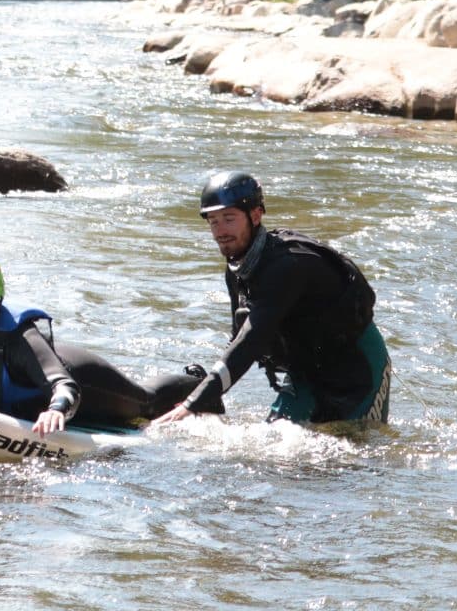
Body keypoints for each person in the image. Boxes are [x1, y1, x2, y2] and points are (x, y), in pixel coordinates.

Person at [152, 171, 390, 427]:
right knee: (278, 439)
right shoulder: (238, 268)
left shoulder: (286, 266)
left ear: (255, 216)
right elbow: (239, 340)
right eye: (213, 222)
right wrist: (206, 392)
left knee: (354, 452)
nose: (220, 231)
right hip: (306, 370)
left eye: (229, 219)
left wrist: (192, 404)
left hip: (358, 368)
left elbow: (251, 342)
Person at [0, 254, 209, 434]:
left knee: (146, 404)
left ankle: (198, 381)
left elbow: (65, 386)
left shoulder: (18, 339)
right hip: (32, 398)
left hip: (81, 377)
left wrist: (56, 409)